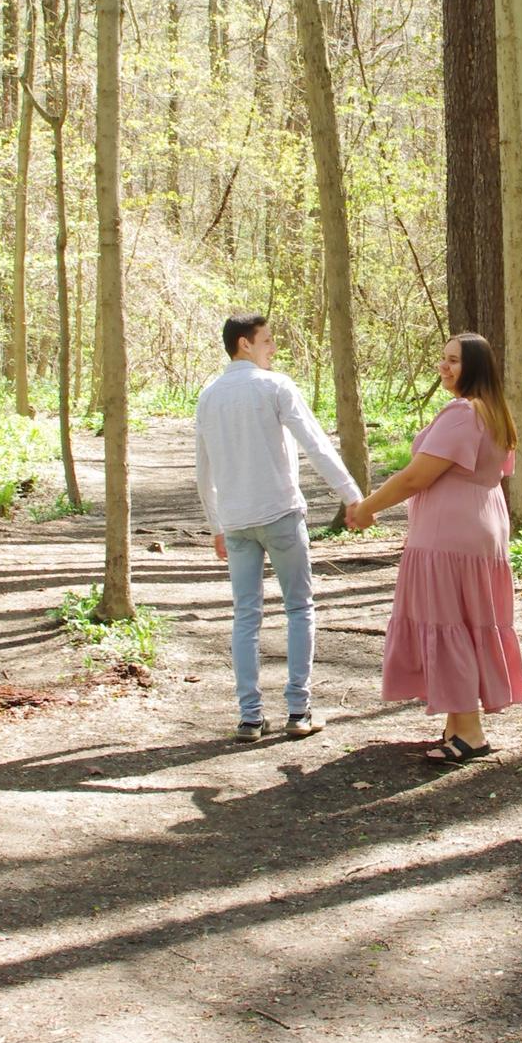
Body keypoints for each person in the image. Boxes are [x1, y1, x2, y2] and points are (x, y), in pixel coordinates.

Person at [346, 333, 522, 765]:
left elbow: (415, 477)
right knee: (466, 622)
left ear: (475, 367)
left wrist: (367, 508)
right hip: (480, 529)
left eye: (454, 361)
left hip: (449, 536)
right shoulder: (494, 412)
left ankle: (470, 732)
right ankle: (458, 723)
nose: (444, 367)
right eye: (442, 359)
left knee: (447, 623)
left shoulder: (462, 413)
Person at [195, 312, 365, 743]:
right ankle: (298, 709)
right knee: (299, 607)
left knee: (246, 615)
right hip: (280, 514)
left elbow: (203, 468)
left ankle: (250, 717)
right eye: (267, 340)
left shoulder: (209, 395)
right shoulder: (275, 386)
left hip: (235, 521)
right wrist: (352, 495)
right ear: (244, 343)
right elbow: (315, 443)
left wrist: (215, 522)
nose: (273, 347)